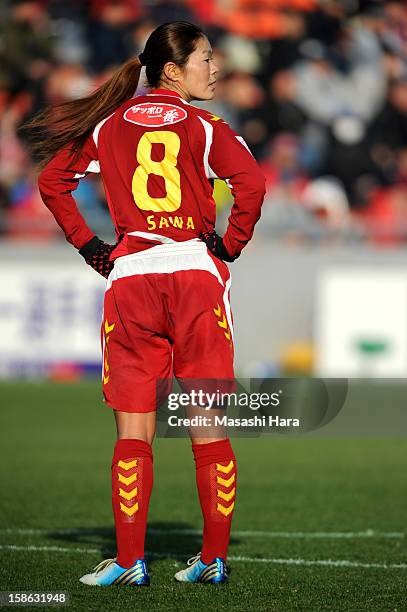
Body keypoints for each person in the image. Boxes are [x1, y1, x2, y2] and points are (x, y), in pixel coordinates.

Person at [33, 21, 265, 586]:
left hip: (131, 279)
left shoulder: (108, 124)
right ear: (171, 69)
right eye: (206, 58)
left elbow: (51, 183)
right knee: (207, 426)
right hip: (192, 276)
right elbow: (252, 186)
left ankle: (131, 562)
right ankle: (212, 560)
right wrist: (228, 246)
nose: (215, 68)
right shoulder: (205, 125)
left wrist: (92, 249)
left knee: (133, 432)